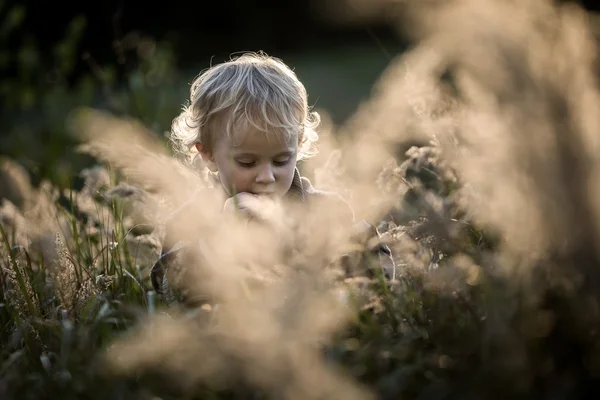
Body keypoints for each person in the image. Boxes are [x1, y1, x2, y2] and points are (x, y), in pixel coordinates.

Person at [150, 52, 394, 307]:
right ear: (208, 154)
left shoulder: (325, 212)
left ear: (298, 146)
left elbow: (379, 282)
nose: (266, 177)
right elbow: (169, 293)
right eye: (247, 162)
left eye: (281, 161)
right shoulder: (190, 221)